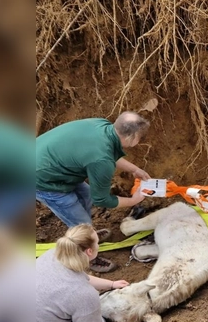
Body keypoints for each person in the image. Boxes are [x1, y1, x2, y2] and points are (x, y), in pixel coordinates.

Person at [36, 112, 152, 272]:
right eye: (139, 137)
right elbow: (102, 200)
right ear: (131, 137)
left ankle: (90, 234)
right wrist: (134, 200)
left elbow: (106, 153)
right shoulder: (102, 160)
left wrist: (134, 169)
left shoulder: (101, 125)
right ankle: (87, 257)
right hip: (42, 180)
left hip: (53, 165)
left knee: (87, 197)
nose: (140, 141)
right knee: (80, 223)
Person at [36, 224, 140, 322]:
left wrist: (111, 284)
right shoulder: (82, 293)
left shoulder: (54, 254)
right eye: (97, 242)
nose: (99, 244)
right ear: (90, 251)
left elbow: (79, 278)